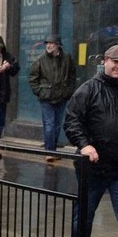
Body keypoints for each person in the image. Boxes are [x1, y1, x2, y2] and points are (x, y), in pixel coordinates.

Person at [63, 43, 118, 237]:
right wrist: (85, 145)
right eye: (116, 62)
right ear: (106, 60)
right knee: (84, 213)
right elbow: (72, 120)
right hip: (92, 167)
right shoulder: (88, 89)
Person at [29, 33, 77, 163]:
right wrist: (40, 92)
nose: (49, 46)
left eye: (51, 43)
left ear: (58, 45)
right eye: (47, 43)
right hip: (47, 97)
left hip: (61, 97)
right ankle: (49, 151)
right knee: (49, 124)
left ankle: (53, 150)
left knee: (57, 125)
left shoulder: (67, 58)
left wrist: (68, 91)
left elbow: (72, 76)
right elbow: (33, 78)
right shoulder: (40, 60)